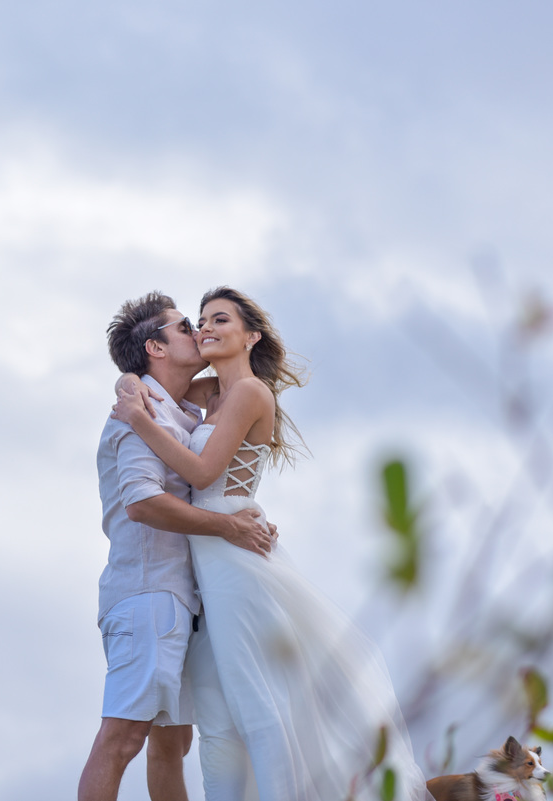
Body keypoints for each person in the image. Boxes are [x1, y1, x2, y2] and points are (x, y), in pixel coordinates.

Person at [113, 287, 428, 801]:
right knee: (216, 719)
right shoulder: (207, 391)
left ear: (250, 335)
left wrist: (139, 420)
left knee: (256, 707)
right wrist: (129, 382)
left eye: (220, 319)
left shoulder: (251, 393)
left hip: (236, 560)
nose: (206, 328)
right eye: (200, 320)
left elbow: (201, 470)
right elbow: (153, 381)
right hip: (206, 562)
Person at [80, 292, 278, 801]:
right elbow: (142, 503)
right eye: (186, 325)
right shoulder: (137, 416)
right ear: (157, 348)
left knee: (174, 743)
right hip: (149, 594)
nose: (199, 331)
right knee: (122, 737)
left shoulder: (185, 407)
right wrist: (228, 526)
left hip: (186, 597)